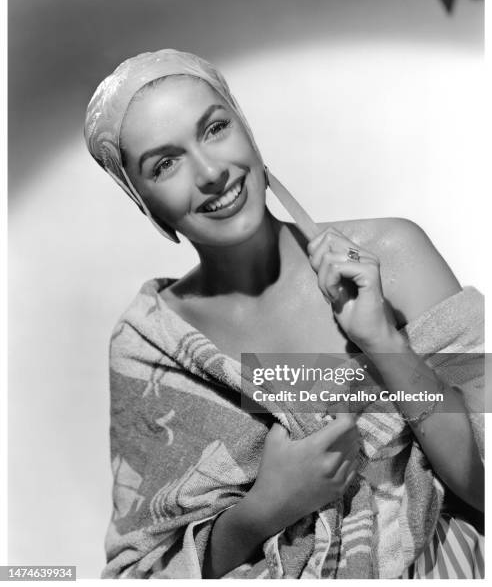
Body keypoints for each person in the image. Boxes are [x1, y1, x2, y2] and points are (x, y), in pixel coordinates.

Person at [85, 49, 484, 579]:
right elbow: (144, 569)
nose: (210, 172)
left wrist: (384, 340)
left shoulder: (394, 252)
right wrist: (263, 510)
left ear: (247, 131)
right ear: (148, 205)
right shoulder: (150, 346)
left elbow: (482, 483)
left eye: (215, 128)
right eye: (165, 163)